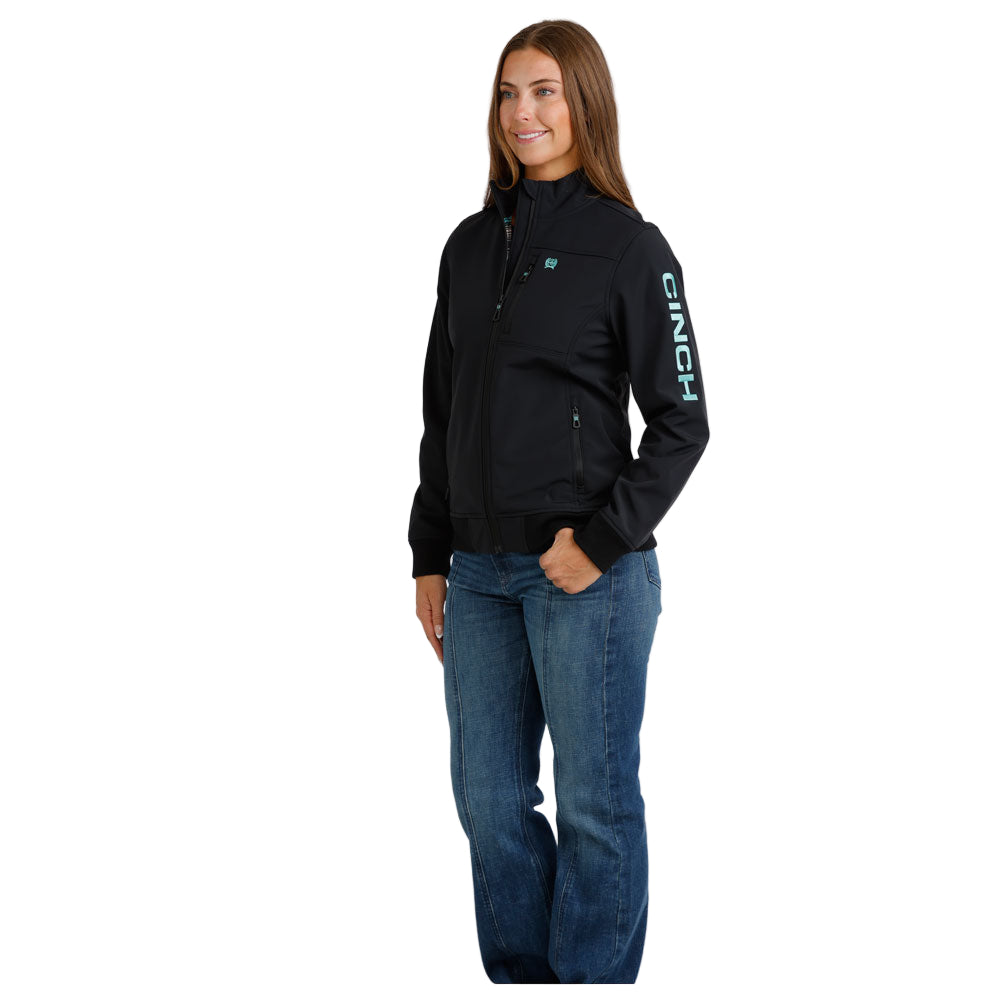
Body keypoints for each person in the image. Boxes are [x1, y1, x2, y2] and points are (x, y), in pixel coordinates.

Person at [407, 19, 710, 984]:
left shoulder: (630, 247)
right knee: (489, 804)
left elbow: (684, 420)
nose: (523, 112)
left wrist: (603, 540)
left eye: (544, 91)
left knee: (593, 807)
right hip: (477, 576)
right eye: (509, 92)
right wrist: (429, 553)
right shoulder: (466, 248)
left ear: (585, 103)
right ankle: (525, 981)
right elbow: (443, 412)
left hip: (587, 578)